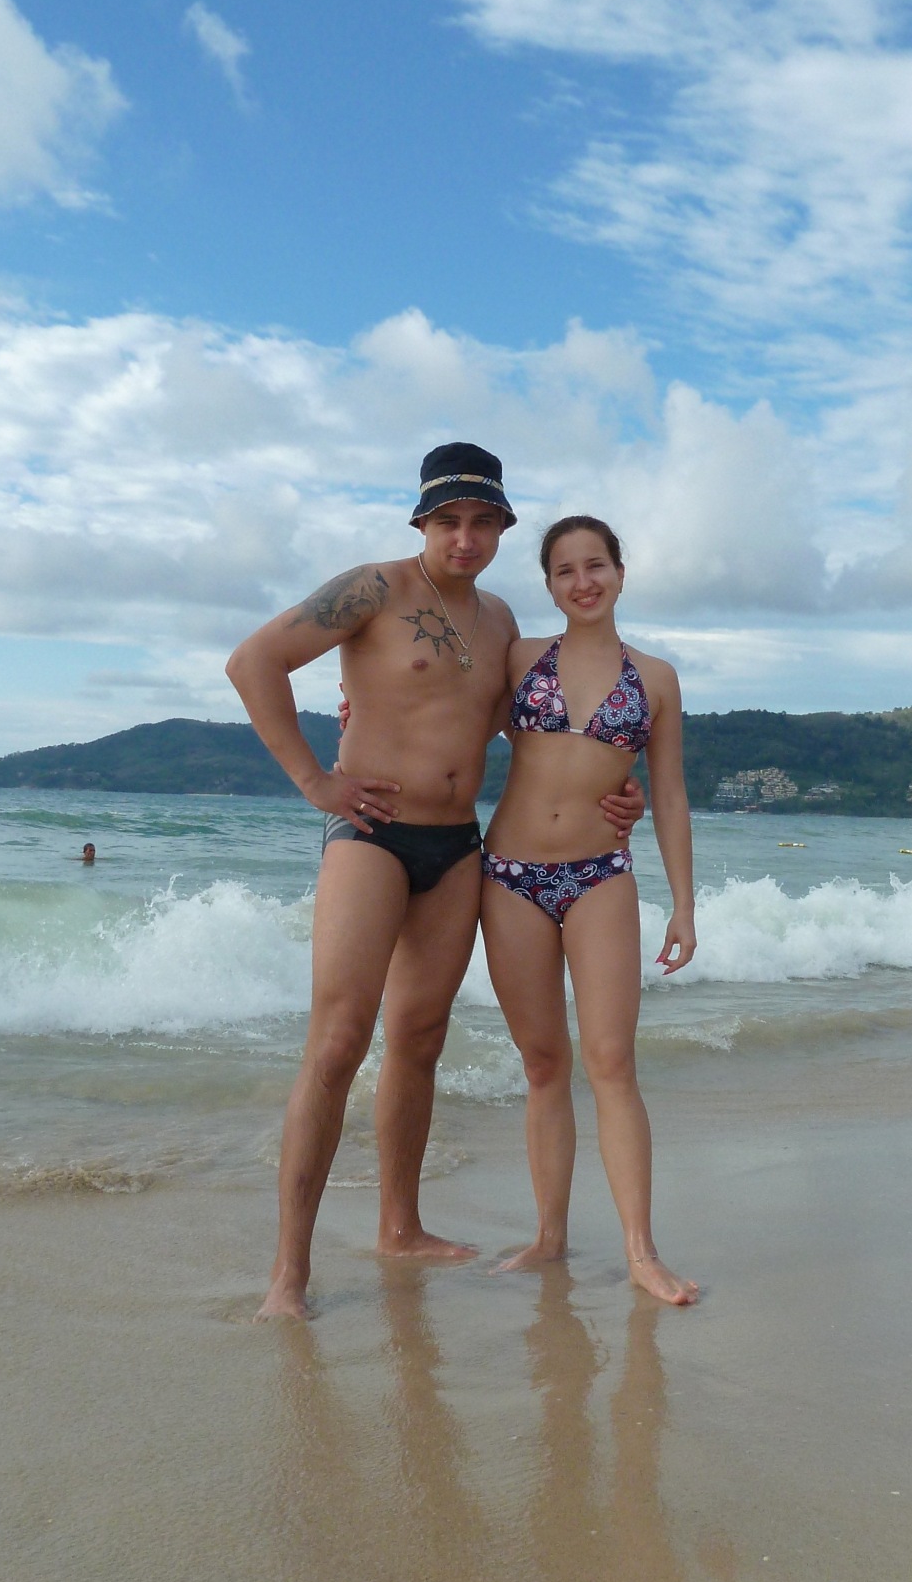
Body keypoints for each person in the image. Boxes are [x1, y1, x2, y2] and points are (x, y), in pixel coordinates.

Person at [225, 444, 644, 1318]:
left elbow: (538, 728)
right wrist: (314, 781)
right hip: (370, 835)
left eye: (482, 522)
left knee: (419, 1038)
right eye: (448, 521)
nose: (464, 538)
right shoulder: (372, 589)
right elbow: (253, 661)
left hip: (456, 846)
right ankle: (287, 1274)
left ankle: (399, 1226)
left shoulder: (497, 621)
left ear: (501, 529)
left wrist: (616, 786)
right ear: (421, 522)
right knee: (338, 1043)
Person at [480, 514, 698, 1304]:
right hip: (509, 876)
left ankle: (641, 1252)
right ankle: (548, 1236)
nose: (583, 581)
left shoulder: (656, 678)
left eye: (595, 564)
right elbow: (441, 713)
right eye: (565, 570)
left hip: (600, 875)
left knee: (610, 1062)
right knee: (543, 1065)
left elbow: (666, 795)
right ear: (548, 585)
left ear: (619, 573)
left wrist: (683, 905)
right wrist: (356, 714)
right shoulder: (518, 658)